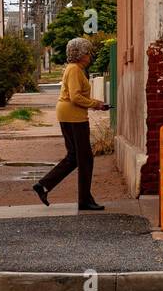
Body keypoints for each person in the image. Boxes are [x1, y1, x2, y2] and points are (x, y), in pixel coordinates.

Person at [33, 37, 109, 211]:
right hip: (74, 116)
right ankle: (84, 200)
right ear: (81, 54)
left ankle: (43, 185)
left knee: (74, 156)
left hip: (67, 113)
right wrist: (95, 104)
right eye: (88, 52)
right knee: (85, 158)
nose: (90, 56)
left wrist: (94, 104)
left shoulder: (73, 68)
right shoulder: (75, 69)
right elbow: (75, 96)